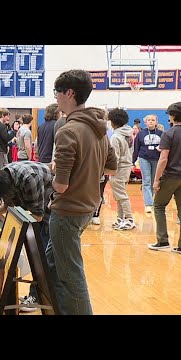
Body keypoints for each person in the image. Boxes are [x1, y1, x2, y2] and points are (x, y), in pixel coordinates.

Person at [49, 69, 117, 314]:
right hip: (88, 207)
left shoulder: (68, 130)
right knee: (51, 261)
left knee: (71, 276)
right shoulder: (98, 127)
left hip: (67, 210)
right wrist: (87, 171)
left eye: (57, 92)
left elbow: (61, 185)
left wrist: (51, 175)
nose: (55, 98)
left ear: (69, 93)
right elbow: (111, 167)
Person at [0, 161, 53, 312]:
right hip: (35, 205)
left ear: (5, 190)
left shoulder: (29, 178)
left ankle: (36, 297)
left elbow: (38, 216)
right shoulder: (6, 175)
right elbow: (9, 203)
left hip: (50, 210)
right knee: (38, 253)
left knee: (42, 256)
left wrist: (12, 218)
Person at [149, 102, 181, 255]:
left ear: (173, 116)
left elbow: (163, 159)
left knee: (158, 205)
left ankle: (162, 241)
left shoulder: (168, 134)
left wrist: (156, 180)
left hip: (171, 176)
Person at [108, 108, 136, 231]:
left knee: (122, 195)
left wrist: (110, 170)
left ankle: (129, 219)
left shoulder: (116, 136)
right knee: (119, 194)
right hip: (127, 166)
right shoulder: (129, 133)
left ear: (113, 122)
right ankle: (121, 218)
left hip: (119, 168)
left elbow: (115, 157)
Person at [133, 114, 163, 213]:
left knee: (154, 181)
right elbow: (136, 148)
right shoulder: (141, 134)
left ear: (156, 122)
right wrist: (133, 162)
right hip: (144, 158)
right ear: (145, 122)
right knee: (146, 181)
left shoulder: (161, 133)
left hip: (156, 159)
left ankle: (153, 200)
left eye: (153, 120)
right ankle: (148, 204)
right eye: (149, 120)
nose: (150, 121)